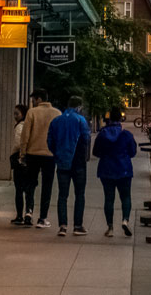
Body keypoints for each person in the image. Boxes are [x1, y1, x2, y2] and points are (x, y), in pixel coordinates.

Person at [47, 95, 91, 236]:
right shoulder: (80, 120)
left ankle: (63, 226)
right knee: (79, 194)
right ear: (79, 106)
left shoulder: (56, 121)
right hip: (78, 162)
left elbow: (50, 141)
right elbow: (86, 138)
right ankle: (77, 225)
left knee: (62, 195)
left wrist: (57, 153)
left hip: (62, 162)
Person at [19, 89, 61, 228]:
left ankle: (29, 211)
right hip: (50, 155)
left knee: (30, 183)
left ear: (38, 99)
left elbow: (25, 135)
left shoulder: (32, 113)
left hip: (33, 153)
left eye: (33, 100)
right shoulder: (57, 113)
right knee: (47, 186)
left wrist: (23, 153)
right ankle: (43, 217)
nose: (32, 103)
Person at [93, 107, 138, 237]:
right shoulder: (127, 135)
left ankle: (110, 227)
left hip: (106, 169)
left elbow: (96, 152)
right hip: (124, 169)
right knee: (125, 196)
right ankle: (125, 219)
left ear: (109, 118)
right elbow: (133, 152)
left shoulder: (102, 134)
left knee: (109, 198)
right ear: (120, 119)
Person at [10, 104, 30, 223]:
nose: (15, 116)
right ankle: (28, 213)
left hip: (19, 159)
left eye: (17, 113)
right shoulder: (28, 126)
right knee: (27, 189)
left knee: (18, 189)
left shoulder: (19, 127)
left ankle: (19, 215)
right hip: (28, 160)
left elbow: (18, 143)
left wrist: (19, 154)